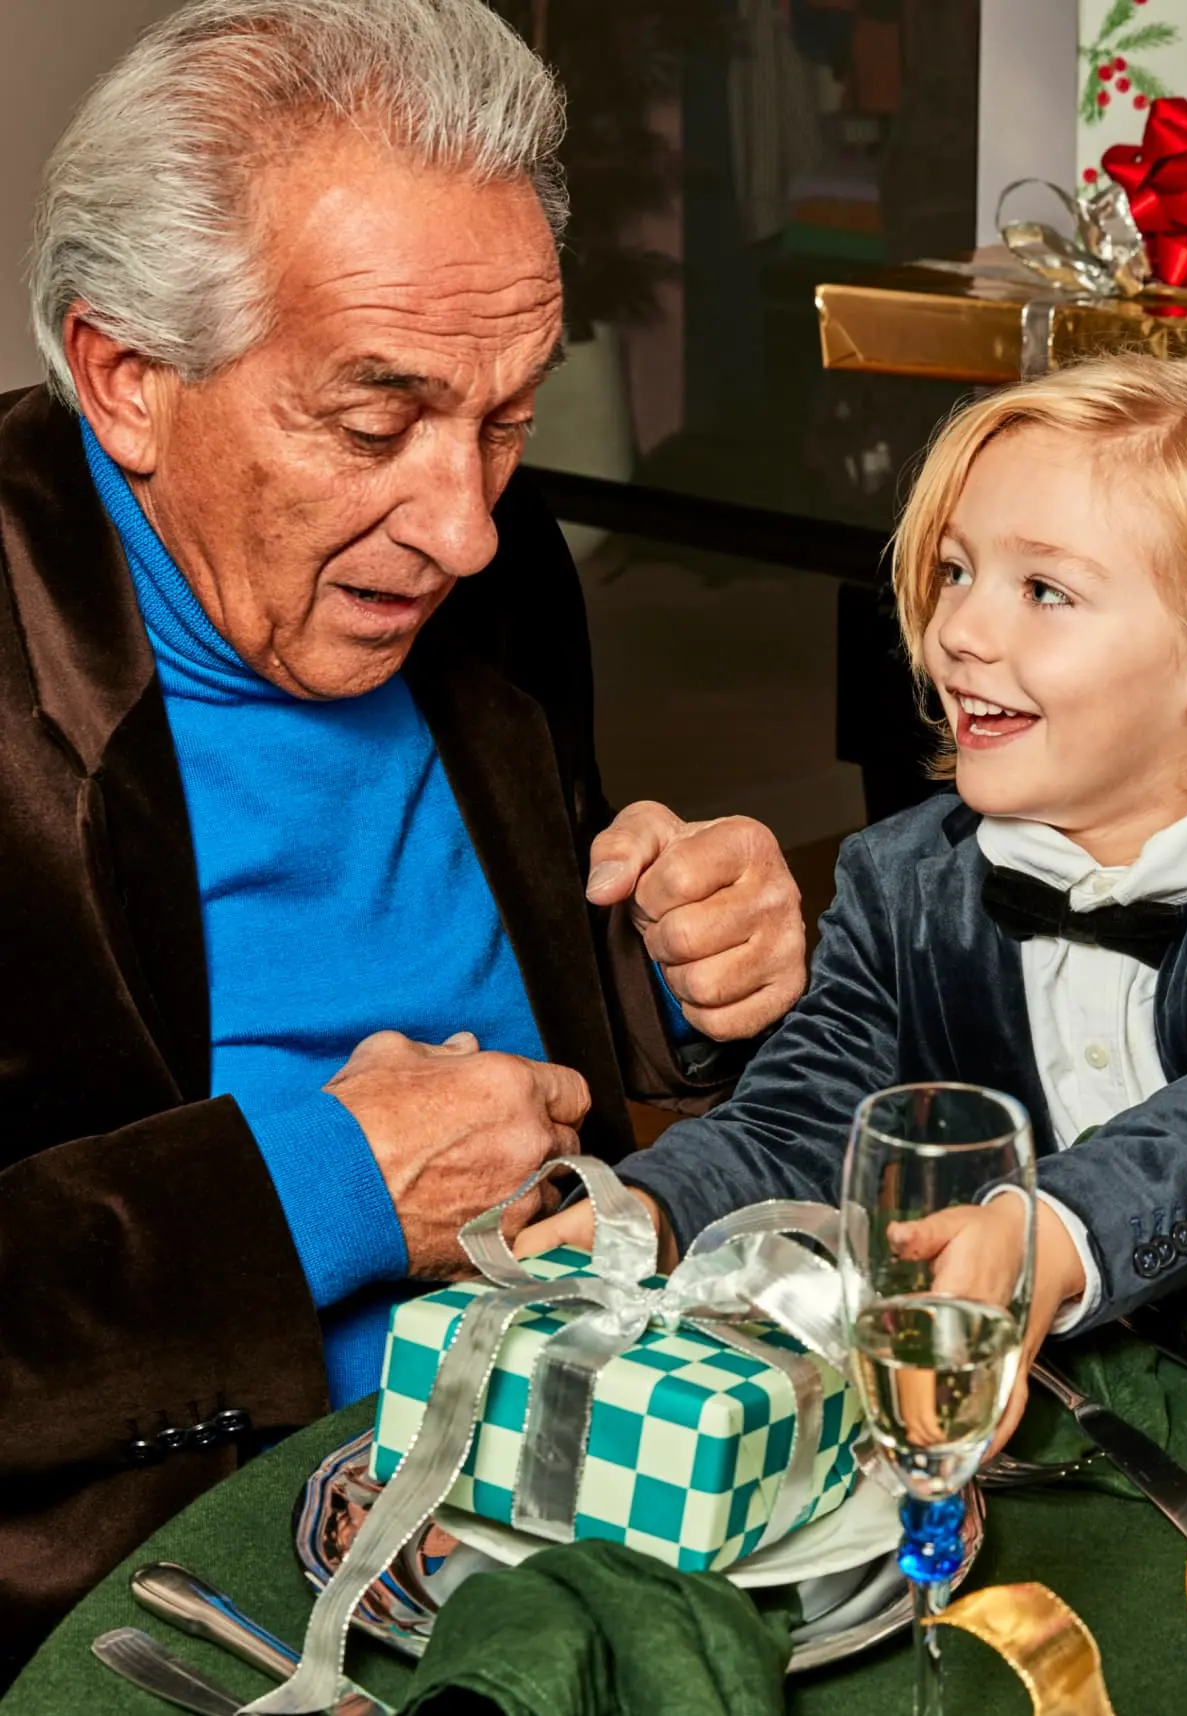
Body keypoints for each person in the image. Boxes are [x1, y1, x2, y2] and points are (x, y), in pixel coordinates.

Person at [0, 0, 807, 1667]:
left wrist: (667, 969)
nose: (463, 523)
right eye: (373, 427)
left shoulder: (493, 580)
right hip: (169, 1605)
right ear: (125, 378)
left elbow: (503, 1002)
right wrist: (319, 1191)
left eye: (507, 417)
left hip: (578, 1493)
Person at [518, 355, 1187, 1428]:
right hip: (1027, 1397)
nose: (957, 632)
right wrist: (652, 1205)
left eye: (1044, 591)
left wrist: (1054, 1232)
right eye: (957, 571)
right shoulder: (900, 882)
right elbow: (802, 1115)